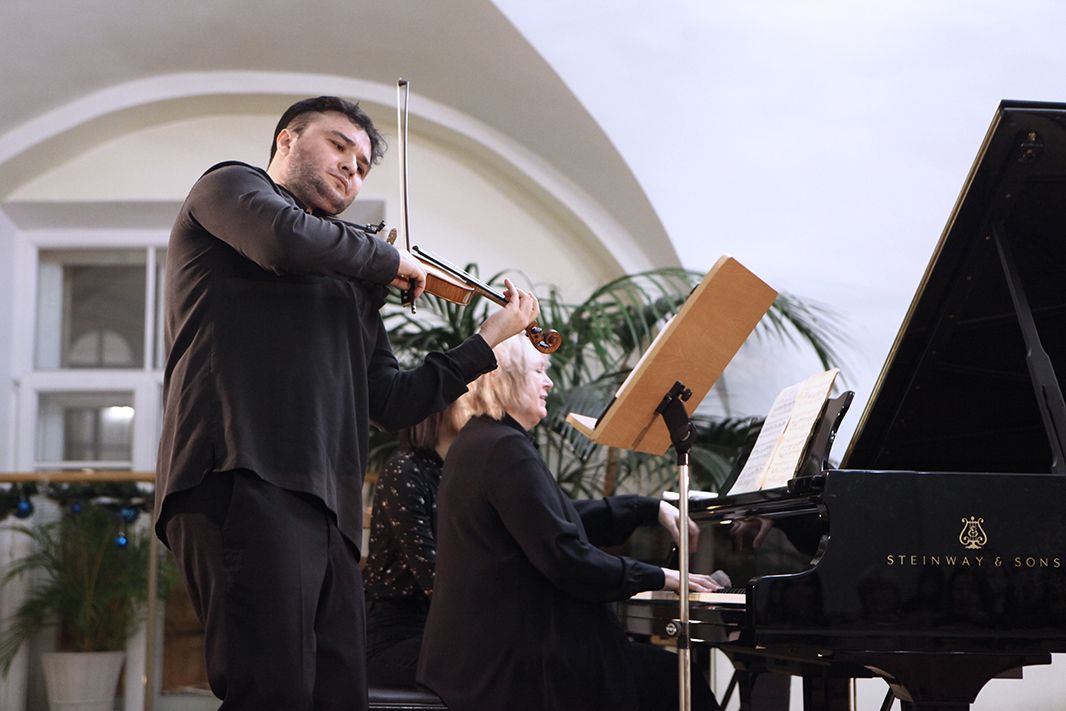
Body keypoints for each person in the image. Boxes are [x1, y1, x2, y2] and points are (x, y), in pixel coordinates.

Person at [153, 95, 537, 711]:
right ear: (286, 139)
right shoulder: (229, 189)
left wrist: (487, 341)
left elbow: (393, 401)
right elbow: (282, 239)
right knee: (271, 692)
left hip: (326, 508)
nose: (350, 169)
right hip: (238, 476)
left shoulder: (347, 284)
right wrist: (385, 260)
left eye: (361, 167)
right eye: (339, 147)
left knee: (339, 696)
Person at [417, 335, 723, 711]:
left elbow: (552, 519)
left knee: (652, 671)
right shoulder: (504, 447)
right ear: (506, 377)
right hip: (510, 664)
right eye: (539, 371)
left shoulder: (481, 439)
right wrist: (664, 577)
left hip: (482, 654)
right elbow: (565, 556)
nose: (549, 383)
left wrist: (648, 508)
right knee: (671, 678)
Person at [363, 396, 472, 688]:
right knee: (496, 666)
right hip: (394, 635)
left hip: (440, 633)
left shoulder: (463, 474)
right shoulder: (405, 471)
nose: (483, 405)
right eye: (470, 397)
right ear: (440, 407)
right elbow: (435, 579)